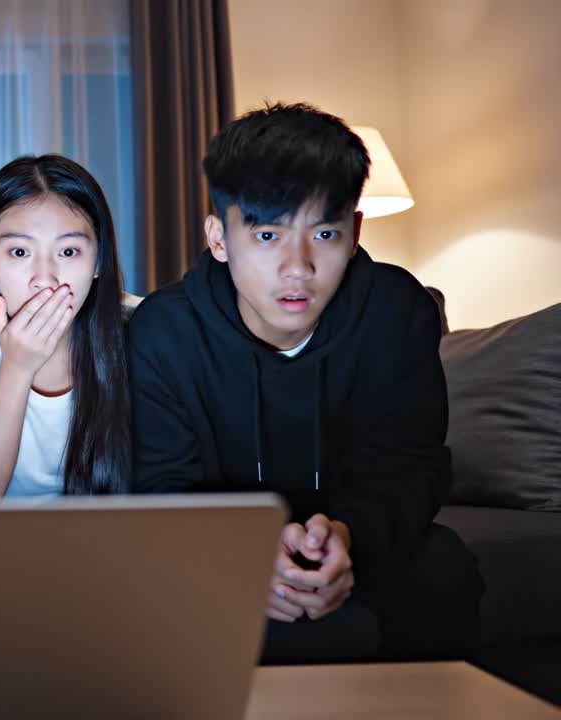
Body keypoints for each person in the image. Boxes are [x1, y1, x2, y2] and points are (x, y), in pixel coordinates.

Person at [126, 102, 484, 660]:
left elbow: (409, 466)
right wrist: (244, 557)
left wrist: (347, 538)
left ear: (355, 230)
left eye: (324, 233)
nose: (299, 267)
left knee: (443, 567)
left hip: (357, 543)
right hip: (219, 553)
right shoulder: (163, 332)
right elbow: (160, 488)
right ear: (219, 238)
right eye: (268, 236)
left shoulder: (396, 312)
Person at [0, 155, 135, 497]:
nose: (44, 279)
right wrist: (17, 367)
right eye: (20, 252)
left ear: (98, 261)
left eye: (68, 252)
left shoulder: (139, 330)